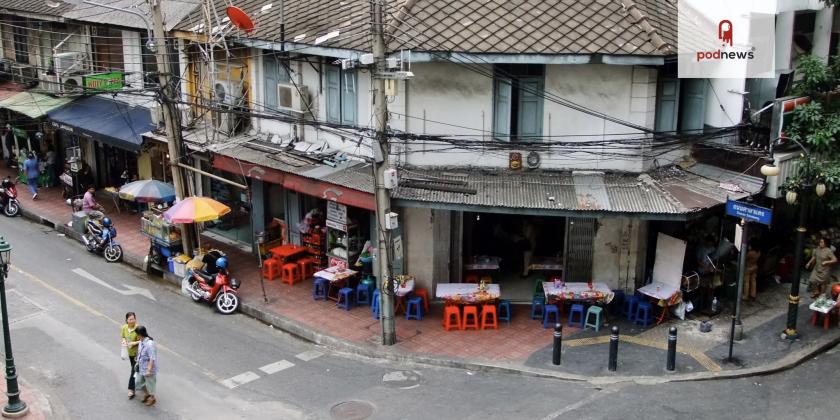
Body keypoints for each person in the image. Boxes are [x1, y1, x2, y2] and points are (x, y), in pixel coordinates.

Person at [134, 325, 157, 406]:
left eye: (137, 334)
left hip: (148, 369)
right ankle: (147, 394)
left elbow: (152, 358)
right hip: (141, 367)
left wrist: (149, 370)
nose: (136, 336)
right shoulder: (141, 341)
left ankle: (152, 398)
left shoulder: (150, 344)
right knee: (138, 382)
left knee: (150, 385)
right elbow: (140, 350)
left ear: (140, 334)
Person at [120, 312, 140, 399]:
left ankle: (131, 389)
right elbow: (123, 336)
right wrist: (124, 341)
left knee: (133, 371)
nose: (132, 321)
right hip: (130, 353)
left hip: (137, 354)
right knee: (136, 370)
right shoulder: (124, 327)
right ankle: (143, 385)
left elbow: (142, 340)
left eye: (133, 319)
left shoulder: (138, 328)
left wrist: (134, 343)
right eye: (130, 319)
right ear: (126, 320)